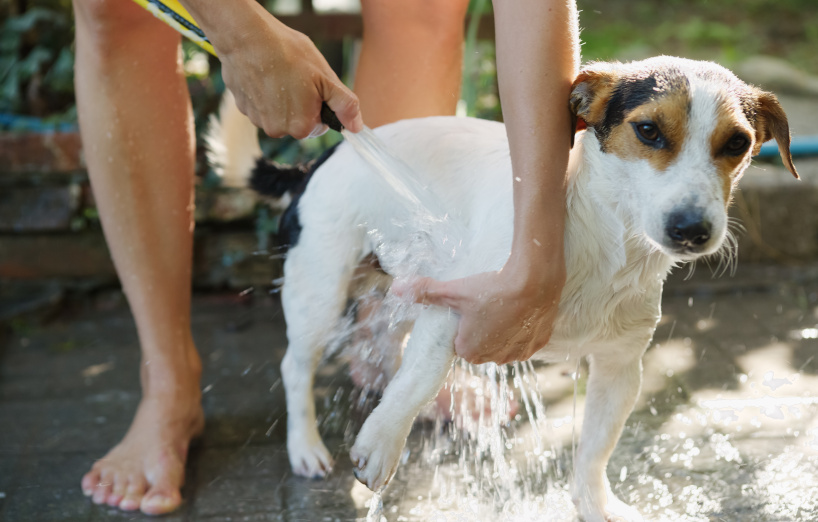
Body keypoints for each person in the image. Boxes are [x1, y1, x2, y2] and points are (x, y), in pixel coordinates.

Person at [72, 0, 577, 515]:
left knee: (419, 8)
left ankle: (386, 342)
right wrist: (241, 35)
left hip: (341, 203)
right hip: (321, 203)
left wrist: (537, 251)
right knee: (115, 9)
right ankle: (166, 380)